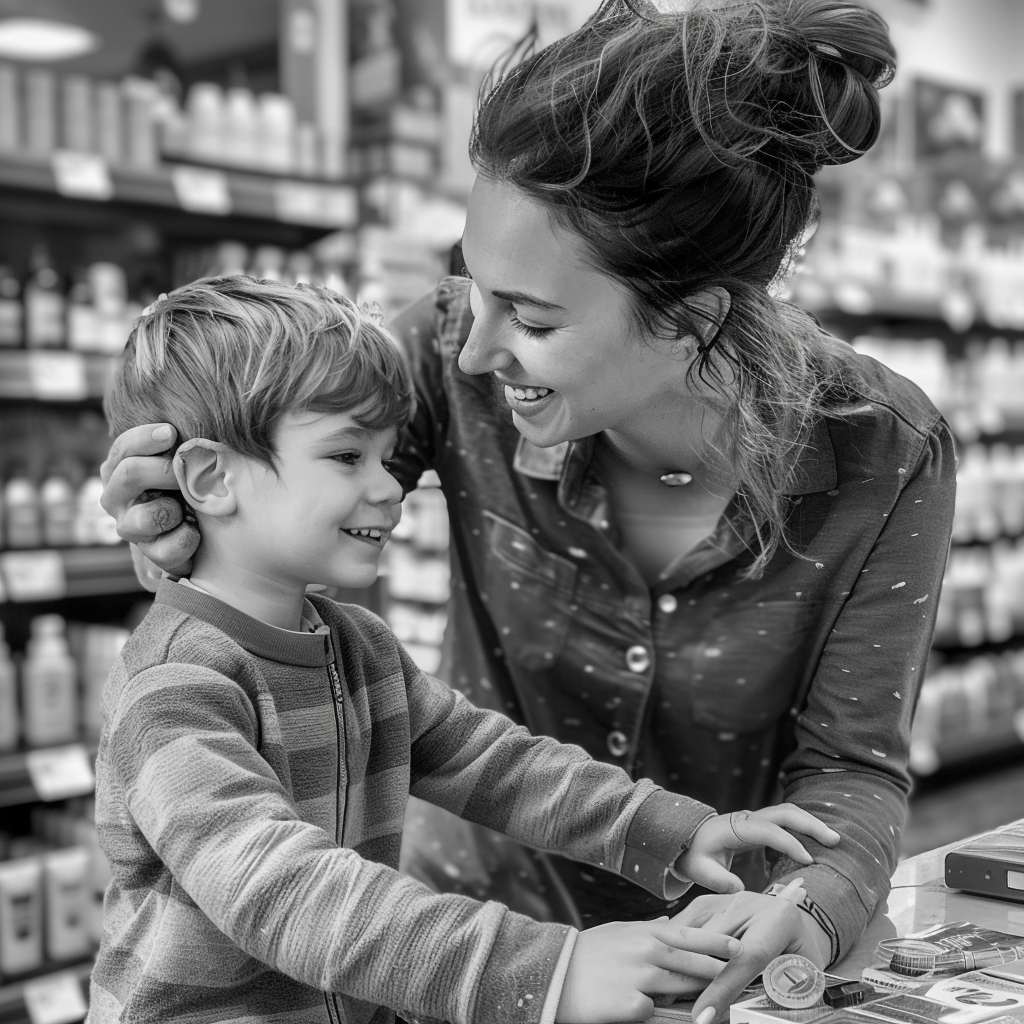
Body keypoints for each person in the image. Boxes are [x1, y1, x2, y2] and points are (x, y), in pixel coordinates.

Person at [98, 0, 958, 1019]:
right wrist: (179, 526)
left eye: (533, 317)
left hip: (707, 968)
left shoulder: (884, 447)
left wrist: (767, 878)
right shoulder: (438, 361)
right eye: (473, 286)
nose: (469, 350)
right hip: (456, 956)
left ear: (691, 318)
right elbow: (273, 491)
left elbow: (846, 766)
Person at [89, 275, 841, 1024]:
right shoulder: (176, 687)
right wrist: (547, 973)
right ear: (212, 478)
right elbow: (280, 890)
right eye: (347, 455)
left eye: (387, 458)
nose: (391, 487)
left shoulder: (358, 647)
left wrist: (669, 830)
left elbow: (495, 764)